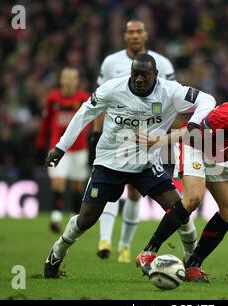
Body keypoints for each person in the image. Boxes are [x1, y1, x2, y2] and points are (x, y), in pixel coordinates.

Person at [43, 53, 216, 279]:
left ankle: (192, 263)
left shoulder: (170, 91)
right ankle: (55, 255)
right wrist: (60, 148)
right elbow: (84, 114)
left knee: (180, 212)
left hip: (145, 163)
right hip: (109, 162)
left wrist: (193, 124)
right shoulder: (112, 89)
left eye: (145, 74)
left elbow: (208, 100)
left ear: (155, 74)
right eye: (135, 74)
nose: (139, 79)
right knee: (86, 219)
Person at [135, 84, 228, 283]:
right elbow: (190, 131)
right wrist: (160, 142)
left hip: (219, 155)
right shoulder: (227, 117)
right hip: (195, 144)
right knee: (194, 198)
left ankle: (193, 265)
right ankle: (148, 252)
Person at [91, 19, 182, 263]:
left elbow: (171, 103)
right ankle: (105, 239)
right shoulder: (111, 62)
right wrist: (95, 132)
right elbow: (100, 102)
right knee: (110, 188)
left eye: (139, 31)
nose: (134, 35)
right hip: (117, 137)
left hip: (148, 140)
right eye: (130, 31)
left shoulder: (162, 63)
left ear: (146, 34)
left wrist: (164, 139)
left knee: (133, 193)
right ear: (124, 36)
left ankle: (124, 246)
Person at [36, 67, 90, 233]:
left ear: (77, 81)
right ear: (61, 80)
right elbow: (46, 122)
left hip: (80, 148)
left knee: (76, 185)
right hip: (57, 147)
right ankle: (56, 217)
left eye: (72, 78)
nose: (68, 81)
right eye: (66, 77)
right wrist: (40, 142)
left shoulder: (84, 98)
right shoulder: (52, 98)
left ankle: (74, 219)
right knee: (58, 181)